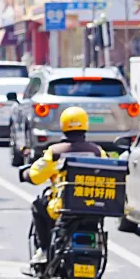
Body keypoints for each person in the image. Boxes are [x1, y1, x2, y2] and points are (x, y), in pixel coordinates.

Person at [22, 106, 106, 265]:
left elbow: (36, 176)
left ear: (63, 126)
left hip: (61, 207)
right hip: (93, 206)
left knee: (38, 206)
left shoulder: (55, 152)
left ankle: (44, 250)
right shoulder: (97, 152)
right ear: (85, 125)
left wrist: (26, 174)